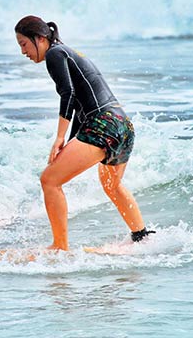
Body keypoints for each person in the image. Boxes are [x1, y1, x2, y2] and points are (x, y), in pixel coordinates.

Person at [14, 15, 154, 250]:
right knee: (112, 185)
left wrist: (59, 139)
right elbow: (81, 106)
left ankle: (59, 247)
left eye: (23, 44)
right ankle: (141, 238)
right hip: (122, 124)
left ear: (39, 38)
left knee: (49, 180)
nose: (23, 52)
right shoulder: (66, 51)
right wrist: (68, 144)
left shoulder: (54, 54)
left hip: (103, 124)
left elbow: (67, 94)